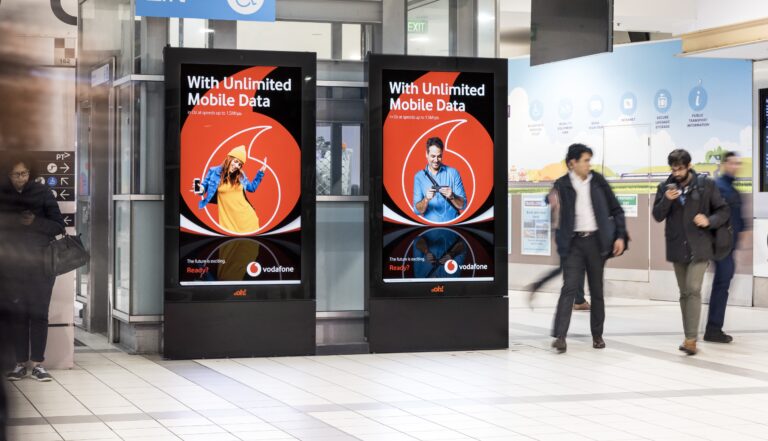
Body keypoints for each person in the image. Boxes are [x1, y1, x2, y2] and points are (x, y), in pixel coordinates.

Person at [550, 143, 627, 353]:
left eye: (589, 160)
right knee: (569, 288)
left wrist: (620, 235)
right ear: (572, 163)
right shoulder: (561, 184)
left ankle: (597, 335)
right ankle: (560, 336)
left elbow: (616, 209)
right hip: (573, 244)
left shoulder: (598, 181)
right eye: (585, 160)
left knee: (596, 290)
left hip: (595, 243)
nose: (588, 164)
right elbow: (554, 213)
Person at [653, 149, 730, 355]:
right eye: (673, 169)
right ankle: (689, 335)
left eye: (680, 169)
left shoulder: (706, 185)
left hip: (701, 246)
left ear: (689, 166)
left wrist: (708, 220)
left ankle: (690, 339)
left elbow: (723, 211)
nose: (676, 173)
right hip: (677, 247)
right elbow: (657, 216)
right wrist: (666, 200)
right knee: (684, 293)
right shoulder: (664, 187)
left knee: (693, 288)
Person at [0, 157, 65, 382]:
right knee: (18, 315)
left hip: (40, 266)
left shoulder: (42, 192)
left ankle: (38, 364)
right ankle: (19, 364)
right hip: (11, 267)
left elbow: (59, 225)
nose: (21, 178)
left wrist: (34, 222)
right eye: (17, 174)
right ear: (8, 175)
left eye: (25, 173)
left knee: (39, 314)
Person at [705, 152, 744, 343]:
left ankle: (714, 328)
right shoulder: (718, 186)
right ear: (724, 164)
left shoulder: (733, 188)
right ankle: (713, 329)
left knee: (722, 286)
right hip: (721, 247)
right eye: (733, 163)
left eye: (738, 163)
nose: (736, 166)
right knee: (721, 287)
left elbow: (738, 220)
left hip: (730, 247)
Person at [198, 145, 267, 234]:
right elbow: (203, 188)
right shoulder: (213, 171)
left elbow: (252, 188)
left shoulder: (241, 175)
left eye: (240, 164)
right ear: (229, 159)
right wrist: (200, 189)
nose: (237, 166)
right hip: (228, 221)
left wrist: (260, 173)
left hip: (247, 220)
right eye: (235, 161)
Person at [413, 137, 467, 223]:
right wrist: (426, 199)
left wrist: (452, 196)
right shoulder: (419, 177)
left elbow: (463, 206)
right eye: (433, 156)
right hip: (430, 229)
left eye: (439, 156)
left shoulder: (453, 173)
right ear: (426, 154)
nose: (436, 160)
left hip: (453, 226)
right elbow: (417, 211)